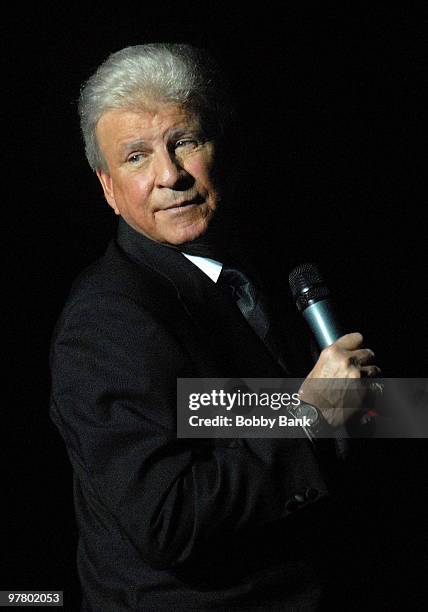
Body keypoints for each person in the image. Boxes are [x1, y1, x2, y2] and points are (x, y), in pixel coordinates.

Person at [49, 43, 379, 611]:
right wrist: (308, 416)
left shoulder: (261, 257)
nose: (169, 175)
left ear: (218, 146)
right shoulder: (106, 322)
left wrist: (388, 408)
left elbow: (232, 409)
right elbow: (166, 517)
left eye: (184, 142)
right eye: (135, 157)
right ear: (106, 187)